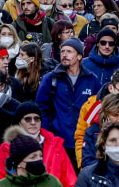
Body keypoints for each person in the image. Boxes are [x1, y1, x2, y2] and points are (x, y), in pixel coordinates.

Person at [36, 37, 100, 169]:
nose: (64, 54)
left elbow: (98, 109)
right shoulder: (51, 79)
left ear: (80, 56)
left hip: (85, 143)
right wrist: (48, 135)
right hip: (59, 142)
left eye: (69, 51)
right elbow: (41, 109)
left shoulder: (92, 79)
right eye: (63, 51)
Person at [0, 101, 77, 187]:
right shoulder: (7, 148)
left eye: (37, 119)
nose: (33, 122)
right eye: (28, 119)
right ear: (19, 122)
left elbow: (70, 182)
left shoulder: (55, 145)